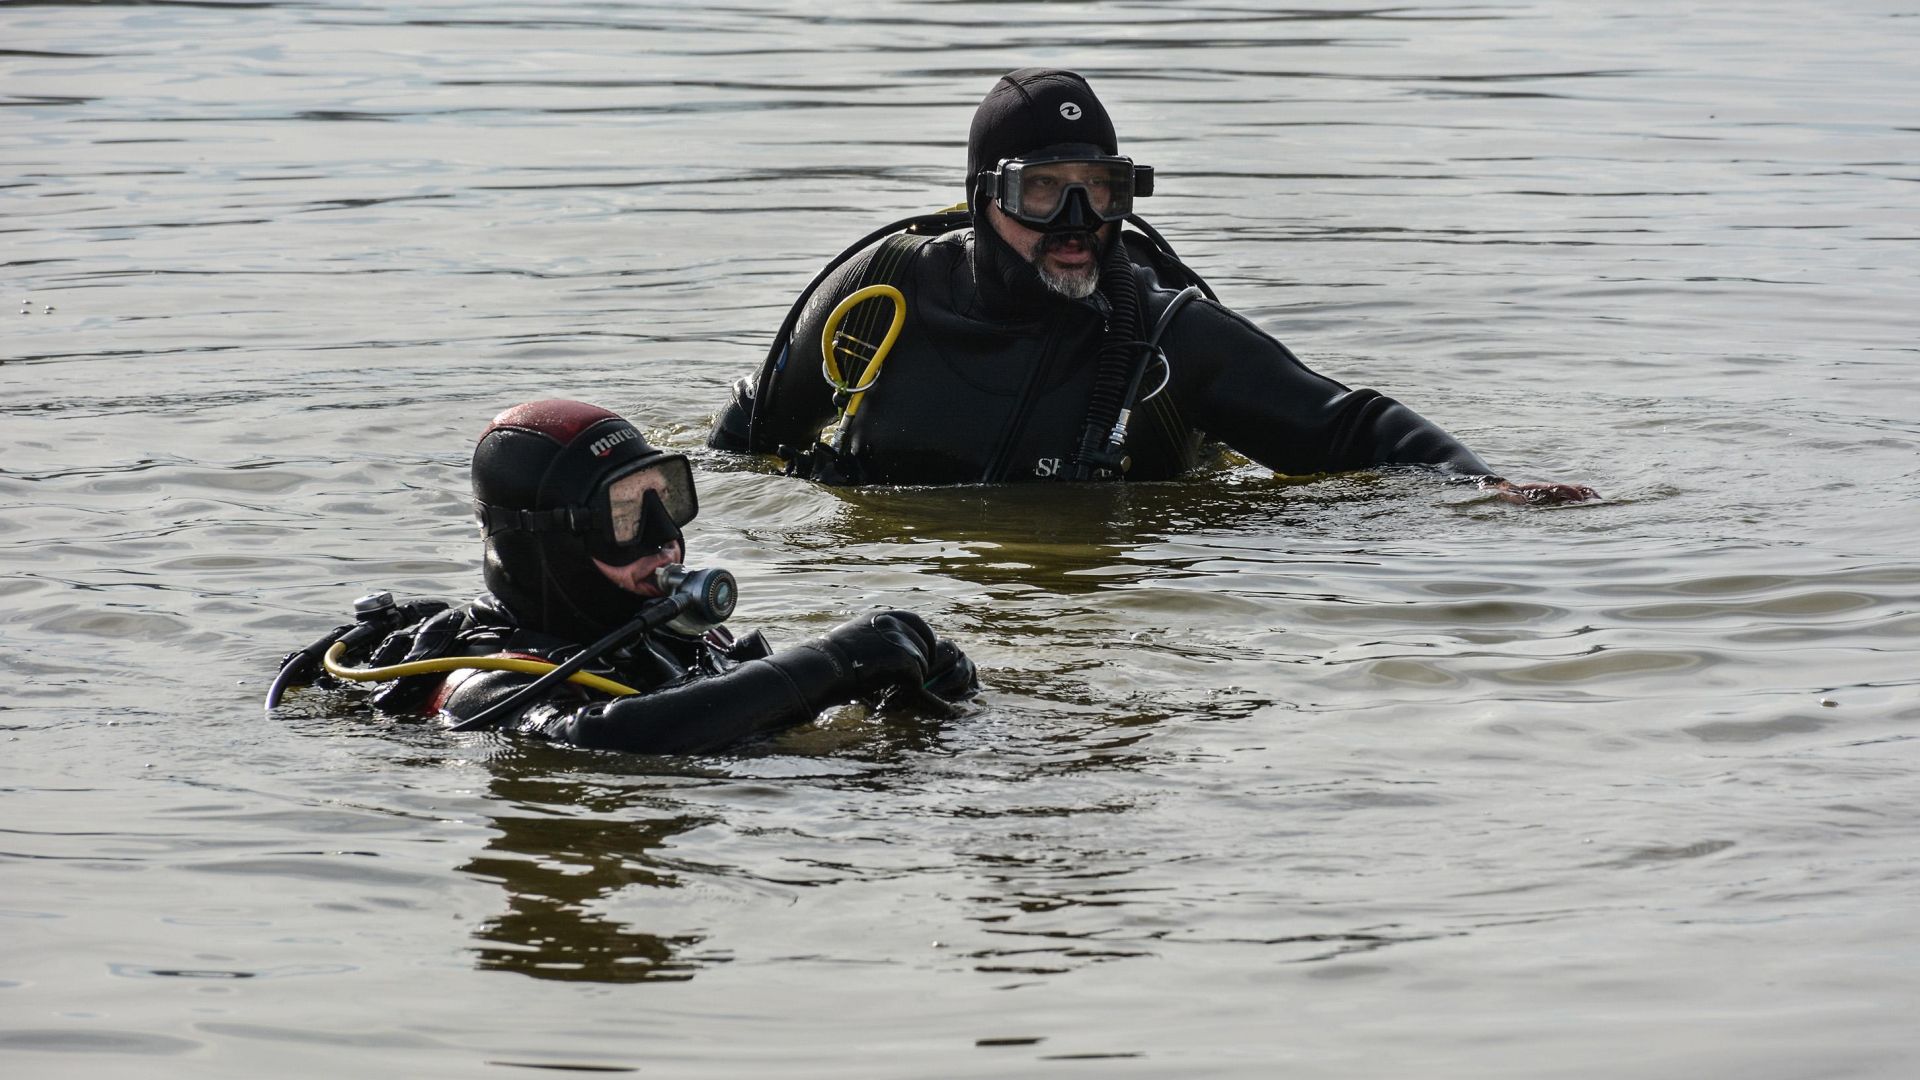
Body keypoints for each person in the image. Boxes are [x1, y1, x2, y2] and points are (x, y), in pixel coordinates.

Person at [708, 68, 1596, 505]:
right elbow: (749, 440)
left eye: (1102, 191)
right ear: (983, 198)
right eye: (1043, 192)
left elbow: (1356, 428)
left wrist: (1488, 490)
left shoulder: (1168, 340)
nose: (1077, 223)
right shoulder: (883, 295)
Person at [269, 400, 977, 754]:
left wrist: (916, 685)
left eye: (664, 499)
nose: (665, 540)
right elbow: (597, 740)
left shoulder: (666, 634)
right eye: (623, 515)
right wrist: (833, 663)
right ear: (549, 544)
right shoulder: (482, 676)